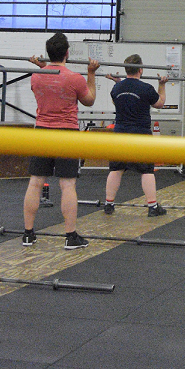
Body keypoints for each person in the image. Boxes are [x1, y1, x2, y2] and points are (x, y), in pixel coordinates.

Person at [22, 33, 99, 249]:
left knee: (35, 182)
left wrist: (42, 67)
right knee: (67, 184)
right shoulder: (75, 78)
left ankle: (28, 234)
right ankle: (70, 237)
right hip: (66, 134)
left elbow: (51, 82)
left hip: (42, 133)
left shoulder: (36, 76)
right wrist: (91, 74)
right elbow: (90, 100)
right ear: (67, 53)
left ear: (48, 53)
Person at [103, 54, 167, 216]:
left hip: (120, 134)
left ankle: (108, 204)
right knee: (147, 170)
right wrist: (162, 85)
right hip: (140, 134)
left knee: (116, 168)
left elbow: (118, 102)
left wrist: (119, 83)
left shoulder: (117, 88)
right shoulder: (146, 88)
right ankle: (153, 207)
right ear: (141, 69)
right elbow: (160, 103)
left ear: (126, 70)